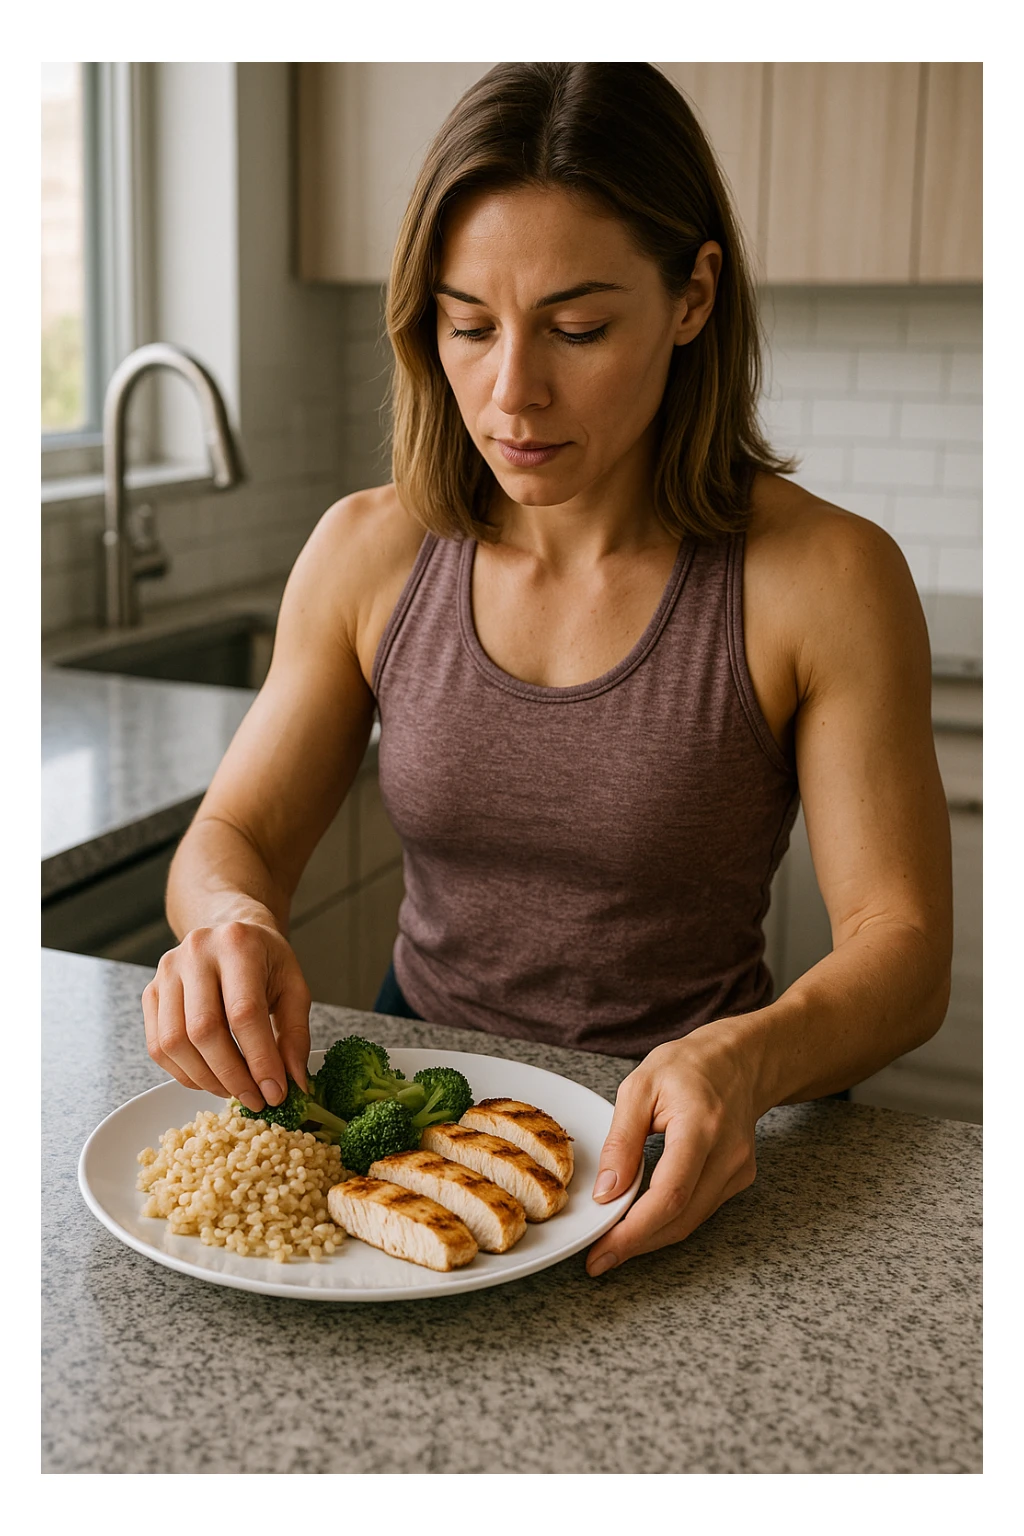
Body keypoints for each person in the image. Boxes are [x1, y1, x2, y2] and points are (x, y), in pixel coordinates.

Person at [143, 63, 952, 1278]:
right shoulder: (368, 553)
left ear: (692, 296)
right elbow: (233, 837)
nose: (510, 392)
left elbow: (903, 950)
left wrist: (751, 1055)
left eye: (577, 328)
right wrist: (230, 922)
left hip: (703, 1134)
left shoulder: (823, 577)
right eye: (469, 325)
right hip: (423, 1122)